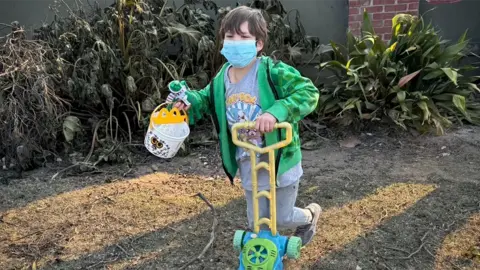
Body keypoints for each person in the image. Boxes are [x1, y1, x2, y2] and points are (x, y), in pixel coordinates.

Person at [168, 6, 321, 246]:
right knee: (256, 221)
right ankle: (269, 251)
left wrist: (276, 112)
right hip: (247, 159)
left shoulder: (273, 70)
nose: (235, 42)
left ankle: (309, 216)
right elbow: (206, 100)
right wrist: (188, 102)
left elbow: (308, 93)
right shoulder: (222, 79)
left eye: (244, 37)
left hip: (279, 158)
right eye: (230, 37)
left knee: (281, 216)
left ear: (258, 43)